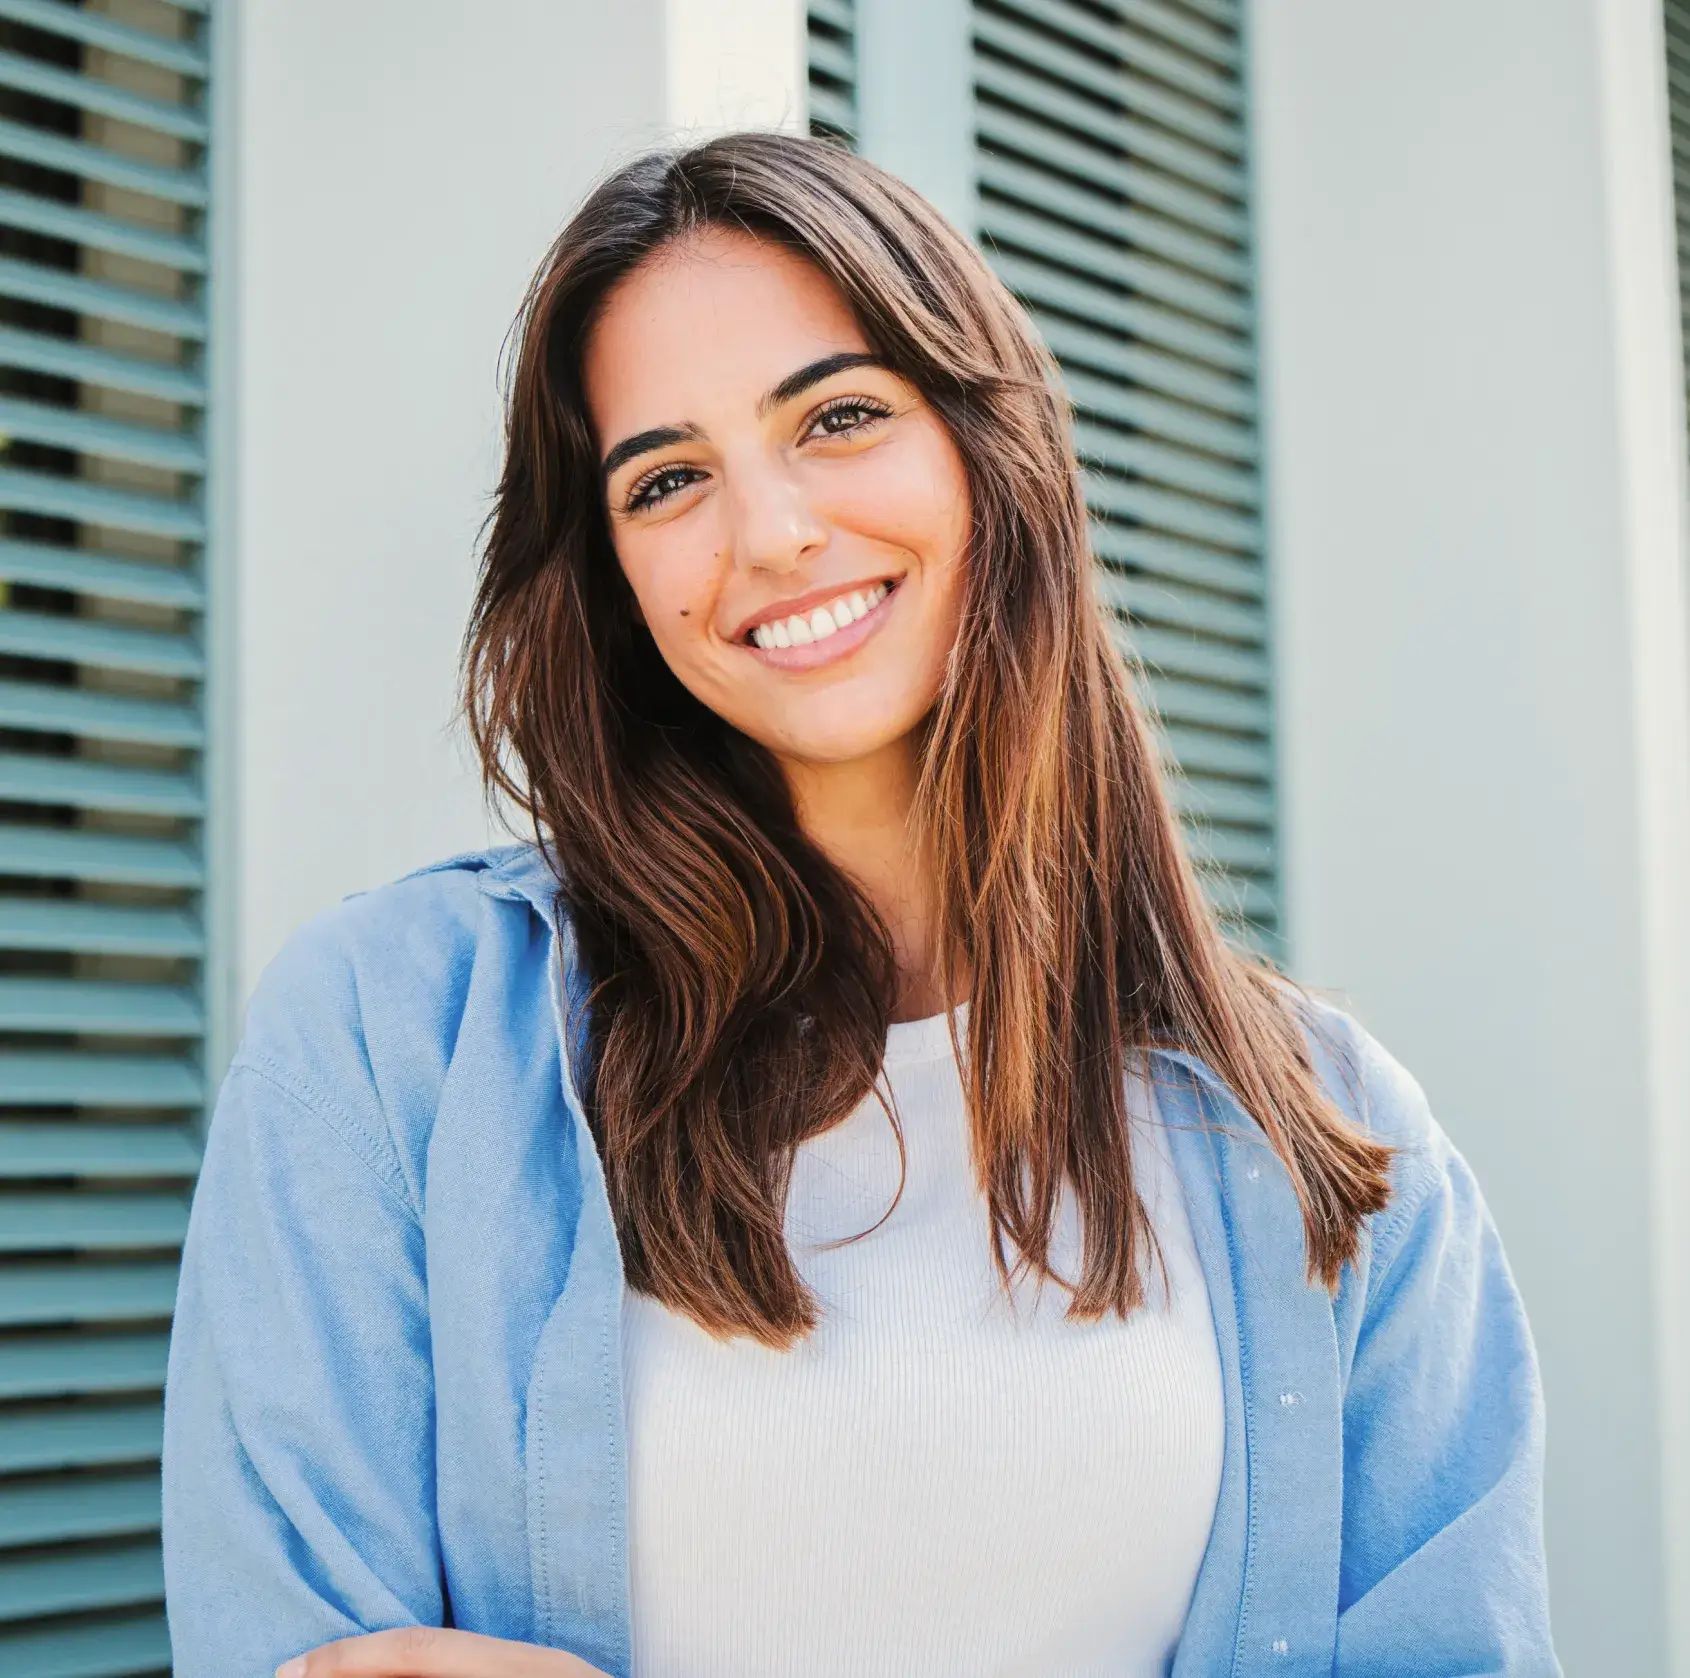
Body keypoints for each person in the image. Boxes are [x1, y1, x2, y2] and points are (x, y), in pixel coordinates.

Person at [161, 132, 1559, 1678]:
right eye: (668, 478)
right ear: (610, 567)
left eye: (837, 416)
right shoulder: (383, 1042)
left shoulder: (1331, 1141)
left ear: (988, 446)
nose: (767, 534)